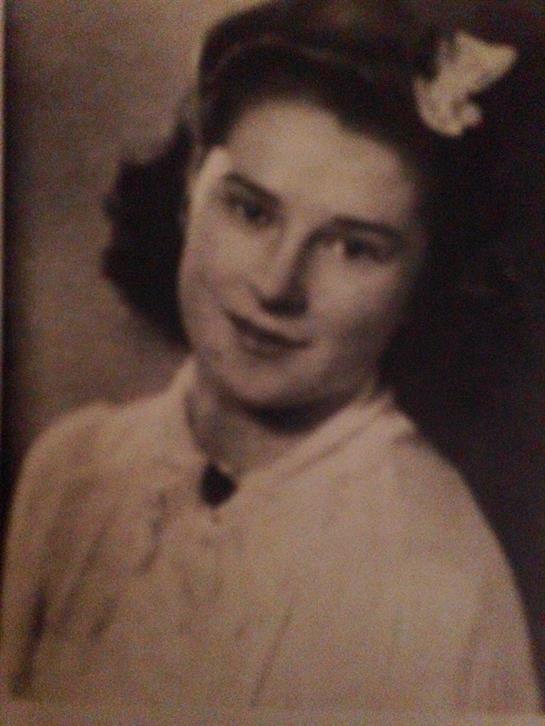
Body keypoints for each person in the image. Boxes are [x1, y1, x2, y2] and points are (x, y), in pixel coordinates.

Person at [2, 0, 543, 712]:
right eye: (251, 211)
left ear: (422, 281)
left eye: (352, 247)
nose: (276, 284)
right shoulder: (69, 472)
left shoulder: (439, 580)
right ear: (191, 188)